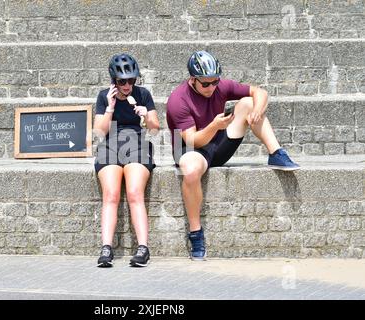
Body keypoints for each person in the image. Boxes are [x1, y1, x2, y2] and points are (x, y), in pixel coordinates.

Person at [166, 50, 299, 261]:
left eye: (215, 82)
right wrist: (214, 125)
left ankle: (276, 153)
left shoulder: (221, 86)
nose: (211, 87)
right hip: (188, 148)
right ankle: (196, 233)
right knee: (191, 172)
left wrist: (257, 109)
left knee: (248, 102)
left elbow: (260, 91)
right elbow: (194, 140)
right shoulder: (177, 100)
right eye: (205, 84)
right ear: (192, 80)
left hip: (215, 142)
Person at [93, 53, 160, 267]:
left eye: (132, 80)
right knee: (111, 194)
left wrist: (146, 115)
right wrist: (111, 107)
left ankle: (143, 248)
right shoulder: (104, 96)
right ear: (114, 80)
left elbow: (155, 129)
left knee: (133, 193)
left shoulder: (143, 94)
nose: (128, 85)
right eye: (123, 81)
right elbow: (99, 132)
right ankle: (106, 248)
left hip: (136, 143)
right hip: (110, 143)